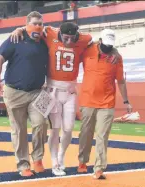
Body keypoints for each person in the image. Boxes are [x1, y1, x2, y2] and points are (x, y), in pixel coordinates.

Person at [10, 22, 120, 176]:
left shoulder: (85, 38)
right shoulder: (50, 33)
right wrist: (19, 28)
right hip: (51, 90)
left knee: (68, 128)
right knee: (54, 129)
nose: (68, 41)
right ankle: (54, 161)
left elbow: (100, 45)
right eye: (66, 38)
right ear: (60, 33)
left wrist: (113, 50)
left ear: (77, 35)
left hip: (70, 90)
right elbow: (33, 30)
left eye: (72, 38)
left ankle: (61, 157)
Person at [0, 11, 48, 177]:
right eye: (35, 23)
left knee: (41, 124)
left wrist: (23, 28)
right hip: (14, 92)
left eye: (40, 23)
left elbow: (60, 32)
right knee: (19, 129)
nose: (38, 26)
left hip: (38, 91)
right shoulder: (15, 38)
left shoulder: (45, 40)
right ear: (27, 25)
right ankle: (23, 164)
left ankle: (38, 158)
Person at [77, 29, 132, 179]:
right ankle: (82, 161)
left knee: (102, 135)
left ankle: (99, 168)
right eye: (106, 46)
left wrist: (126, 101)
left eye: (111, 46)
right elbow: (76, 43)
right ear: (99, 41)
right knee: (86, 133)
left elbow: (120, 81)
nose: (108, 49)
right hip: (87, 100)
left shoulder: (116, 58)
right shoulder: (87, 50)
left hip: (107, 102)